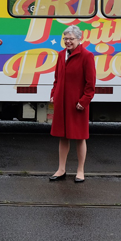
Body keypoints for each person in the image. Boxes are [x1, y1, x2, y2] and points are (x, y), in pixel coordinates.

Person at [49, 25, 95, 183]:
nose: (67, 42)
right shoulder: (61, 55)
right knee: (62, 137)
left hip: (78, 104)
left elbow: (91, 84)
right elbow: (57, 78)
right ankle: (61, 169)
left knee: (80, 138)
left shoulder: (87, 56)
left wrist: (84, 101)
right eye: (65, 39)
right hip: (62, 103)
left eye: (70, 39)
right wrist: (53, 93)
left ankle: (80, 170)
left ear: (79, 39)